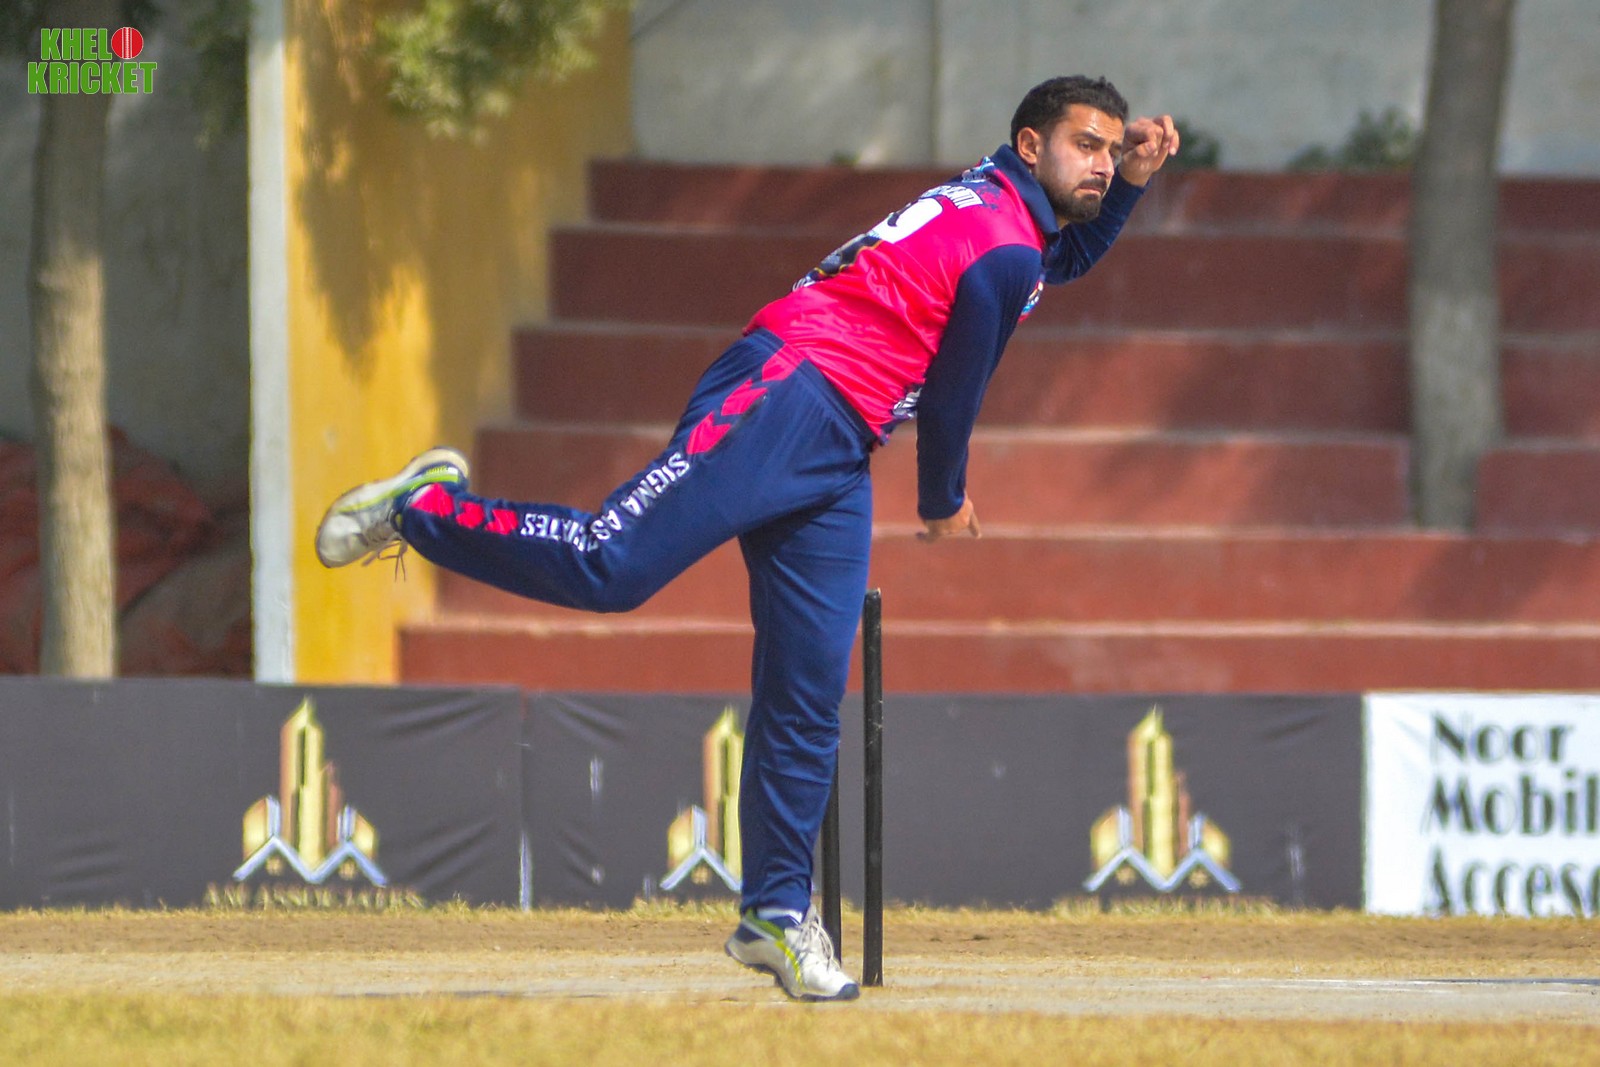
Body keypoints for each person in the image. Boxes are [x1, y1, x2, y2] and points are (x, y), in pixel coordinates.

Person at [314, 75, 1178, 1001]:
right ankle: (421, 507)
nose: (1100, 162)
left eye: (1109, 147)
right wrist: (943, 501)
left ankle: (774, 913)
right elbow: (955, 396)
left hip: (839, 444)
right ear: (1031, 144)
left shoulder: (1005, 209)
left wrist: (1130, 184)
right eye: (1086, 145)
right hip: (787, 390)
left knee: (807, 689)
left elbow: (1059, 260)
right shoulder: (1001, 244)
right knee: (608, 562)